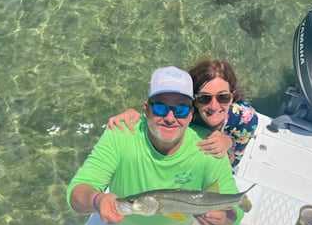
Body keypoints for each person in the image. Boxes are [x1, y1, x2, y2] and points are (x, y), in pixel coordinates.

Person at [67, 66, 244, 225]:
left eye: (181, 109)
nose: (170, 118)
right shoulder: (120, 134)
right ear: (146, 109)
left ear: (191, 114)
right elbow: (77, 191)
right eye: (160, 107)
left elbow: (235, 212)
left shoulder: (209, 148)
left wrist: (223, 219)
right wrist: (97, 199)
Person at [108, 60, 258, 168]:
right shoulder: (182, 115)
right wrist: (132, 115)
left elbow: (234, 161)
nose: (214, 106)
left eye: (223, 97)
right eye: (204, 98)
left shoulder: (245, 119)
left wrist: (229, 143)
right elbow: (157, 119)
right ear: (192, 100)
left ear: (232, 96)